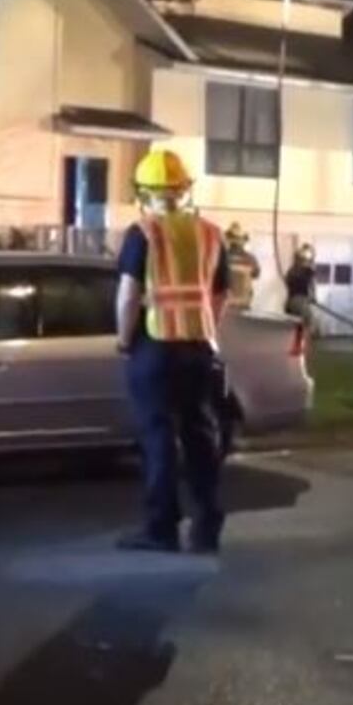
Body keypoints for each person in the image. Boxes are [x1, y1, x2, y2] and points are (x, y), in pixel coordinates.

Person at [114, 149, 231, 554]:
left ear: (143, 193)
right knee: (200, 436)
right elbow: (220, 296)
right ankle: (208, 523)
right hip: (199, 349)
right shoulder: (212, 234)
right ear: (184, 190)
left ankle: (161, 528)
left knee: (159, 438)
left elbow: (129, 297)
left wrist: (124, 339)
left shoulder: (144, 233)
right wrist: (207, 331)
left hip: (156, 348)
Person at [224, 223, 259, 313]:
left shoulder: (222, 257)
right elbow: (256, 274)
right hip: (242, 303)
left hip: (226, 304)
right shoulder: (250, 259)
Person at [284, 243, 317, 327]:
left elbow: (287, 282)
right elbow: (312, 284)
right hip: (300, 301)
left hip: (290, 301)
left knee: (294, 325)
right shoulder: (306, 270)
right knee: (307, 322)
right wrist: (313, 297)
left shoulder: (291, 270)